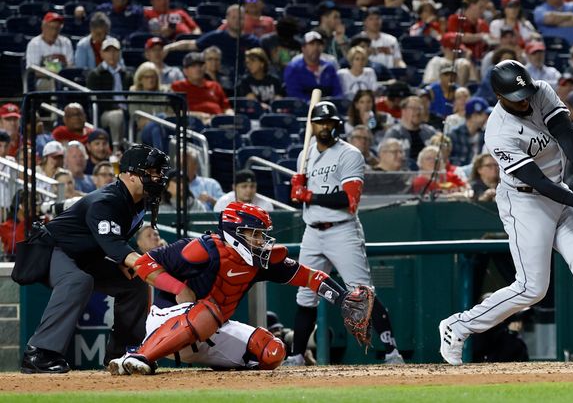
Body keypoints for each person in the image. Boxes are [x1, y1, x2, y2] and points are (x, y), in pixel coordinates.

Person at [438, 60, 573, 366]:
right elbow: (538, 182)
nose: (526, 100)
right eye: (517, 97)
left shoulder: (541, 91)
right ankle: (458, 326)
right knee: (532, 288)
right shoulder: (498, 132)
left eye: (527, 92)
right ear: (500, 97)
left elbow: (565, 132)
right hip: (525, 203)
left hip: (561, 191)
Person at [108, 201, 379, 374]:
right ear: (236, 232)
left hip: (211, 328)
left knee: (272, 352)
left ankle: (223, 374)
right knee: (208, 312)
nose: (262, 241)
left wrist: (342, 296)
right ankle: (141, 355)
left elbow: (309, 277)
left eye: (262, 235)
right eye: (256, 234)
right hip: (169, 319)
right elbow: (145, 263)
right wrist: (178, 286)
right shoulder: (202, 250)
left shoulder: (259, 261)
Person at [21, 145, 169, 374]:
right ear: (130, 174)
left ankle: (122, 353)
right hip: (53, 249)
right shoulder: (107, 200)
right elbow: (113, 243)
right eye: (151, 171)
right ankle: (39, 352)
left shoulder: (137, 199)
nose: (157, 177)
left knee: (133, 283)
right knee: (78, 280)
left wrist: (124, 262)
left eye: (159, 172)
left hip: (86, 254)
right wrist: (153, 271)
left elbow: (112, 238)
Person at [285, 102, 403, 365]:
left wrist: (308, 195)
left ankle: (391, 351)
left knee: (361, 292)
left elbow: (350, 199)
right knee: (305, 293)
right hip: (312, 232)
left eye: (329, 122)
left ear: (337, 124)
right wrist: (296, 192)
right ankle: (296, 356)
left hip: (342, 230)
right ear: (312, 125)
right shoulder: (304, 156)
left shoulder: (349, 154)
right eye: (319, 122)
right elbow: (302, 198)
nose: (325, 127)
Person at [165, 4, 260, 70]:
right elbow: (190, 45)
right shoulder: (215, 36)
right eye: (233, 17)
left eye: (240, 18)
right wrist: (168, 47)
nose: (237, 21)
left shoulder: (253, 41)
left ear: (245, 19)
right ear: (227, 19)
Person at [87, 38, 133, 147]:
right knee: (117, 116)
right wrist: (117, 107)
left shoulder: (127, 74)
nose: (112, 54)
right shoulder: (95, 75)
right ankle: (116, 150)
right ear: (102, 53)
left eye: (115, 51)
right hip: (105, 113)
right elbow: (96, 99)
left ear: (119, 53)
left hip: (128, 111)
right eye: (108, 51)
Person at [283, 31, 343, 101]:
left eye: (318, 44)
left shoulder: (329, 67)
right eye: (312, 44)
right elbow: (294, 95)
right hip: (303, 109)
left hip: (327, 108)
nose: (316, 48)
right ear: (303, 48)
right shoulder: (294, 68)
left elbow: (338, 92)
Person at [171, 52, 233, 118]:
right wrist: (198, 115)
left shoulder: (215, 86)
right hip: (192, 124)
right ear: (185, 71)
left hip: (218, 123)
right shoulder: (178, 87)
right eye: (193, 66)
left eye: (200, 66)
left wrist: (231, 115)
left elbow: (226, 108)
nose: (198, 69)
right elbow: (173, 112)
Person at [383, 96, 437, 169]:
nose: (417, 112)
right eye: (413, 109)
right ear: (403, 111)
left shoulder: (430, 132)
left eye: (420, 109)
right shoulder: (394, 133)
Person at [447, 97, 490, 167]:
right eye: (485, 115)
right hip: (459, 174)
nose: (487, 118)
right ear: (474, 116)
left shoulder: (484, 135)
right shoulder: (454, 135)